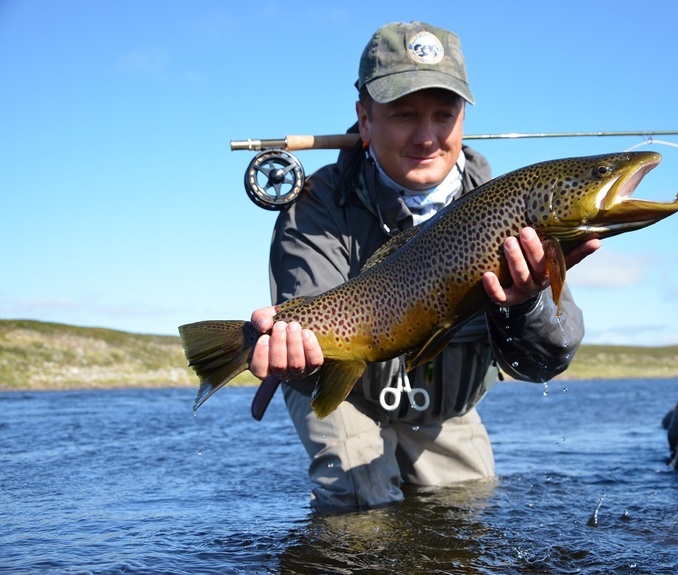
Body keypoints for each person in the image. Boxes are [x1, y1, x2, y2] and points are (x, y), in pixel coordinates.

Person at [247, 20, 601, 509]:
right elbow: (311, 326)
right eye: (404, 114)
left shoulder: (506, 204)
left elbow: (546, 362)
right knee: (359, 507)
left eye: (444, 113)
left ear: (462, 118)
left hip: (446, 408)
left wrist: (525, 305)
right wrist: (290, 356)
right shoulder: (315, 205)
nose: (427, 136)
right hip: (345, 394)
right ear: (365, 120)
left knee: (465, 514)